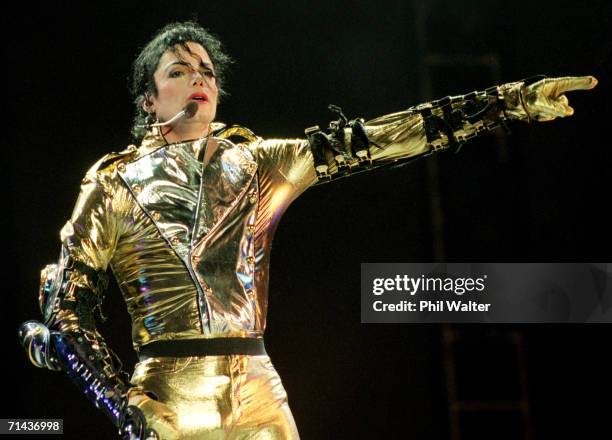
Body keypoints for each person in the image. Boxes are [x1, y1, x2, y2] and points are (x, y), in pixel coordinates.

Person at [18, 21, 597, 439]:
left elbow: (380, 139)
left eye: (208, 71)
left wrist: (511, 102)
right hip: (170, 393)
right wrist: (122, 401)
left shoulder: (260, 162)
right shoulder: (115, 184)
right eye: (179, 70)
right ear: (150, 99)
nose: (199, 78)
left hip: (257, 388)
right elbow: (67, 308)